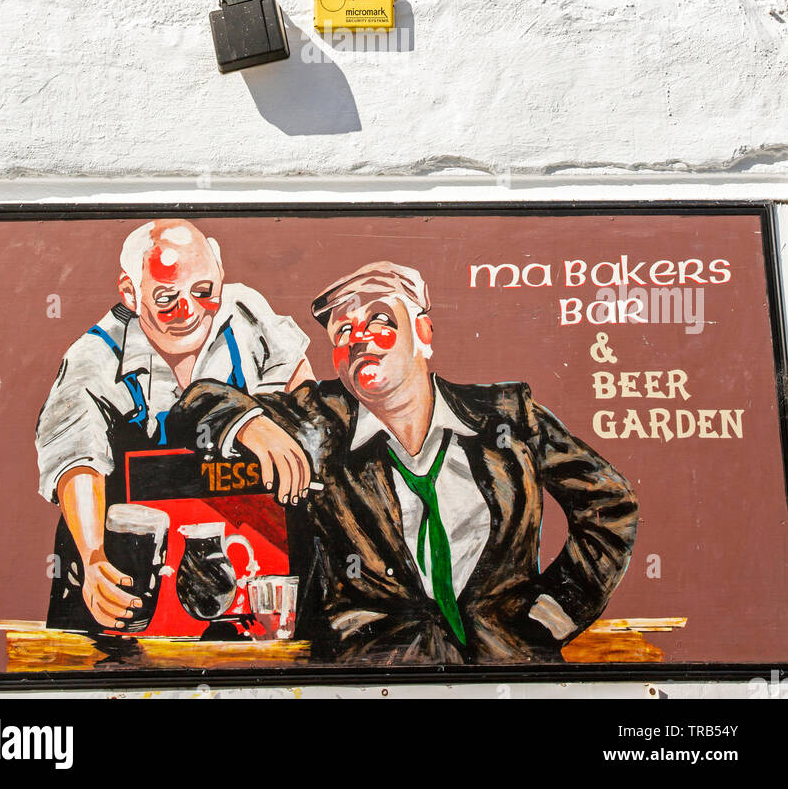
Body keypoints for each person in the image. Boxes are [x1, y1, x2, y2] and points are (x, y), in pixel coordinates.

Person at [168, 260, 639, 666]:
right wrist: (251, 422)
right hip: (375, 672)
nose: (360, 339)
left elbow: (610, 504)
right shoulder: (321, 421)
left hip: (508, 667)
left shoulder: (508, 416)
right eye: (343, 331)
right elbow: (195, 405)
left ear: (424, 334)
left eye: (379, 320)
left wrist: (555, 612)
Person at [36, 218, 312, 632]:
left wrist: (273, 423)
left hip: (239, 550)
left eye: (204, 291)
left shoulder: (247, 314)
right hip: (128, 568)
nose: (189, 310)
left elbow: (302, 395)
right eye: (166, 298)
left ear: (219, 269)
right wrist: (93, 556)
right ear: (130, 292)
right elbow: (77, 463)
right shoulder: (94, 357)